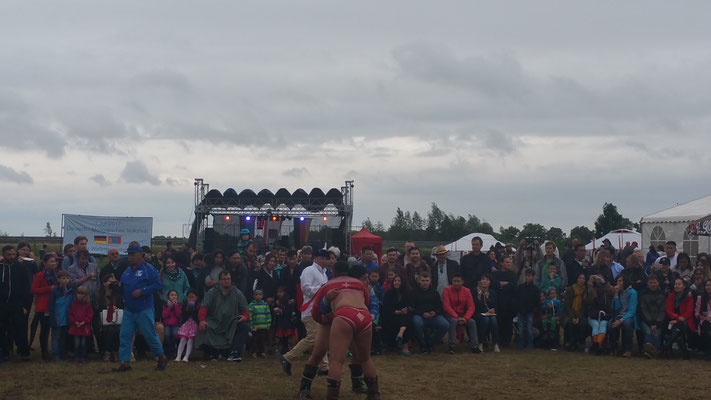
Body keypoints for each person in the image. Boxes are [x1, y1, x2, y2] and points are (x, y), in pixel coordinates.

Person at [307, 263, 381, 400]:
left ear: (333, 272)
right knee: (365, 358)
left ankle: (332, 396)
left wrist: (326, 303)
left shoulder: (328, 285)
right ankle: (374, 394)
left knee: (336, 360)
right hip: (364, 316)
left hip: (344, 315)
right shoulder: (361, 285)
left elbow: (317, 311)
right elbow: (368, 301)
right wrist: (371, 317)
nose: (367, 281)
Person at [114, 242, 167, 372]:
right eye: (129, 254)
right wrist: (116, 286)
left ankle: (161, 357)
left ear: (140, 254)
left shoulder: (148, 269)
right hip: (129, 309)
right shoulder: (127, 270)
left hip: (143, 309)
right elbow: (123, 285)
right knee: (125, 335)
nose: (130, 256)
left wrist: (142, 291)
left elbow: (157, 285)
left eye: (133, 254)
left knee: (150, 335)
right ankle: (125, 362)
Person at [280, 249, 331, 375]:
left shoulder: (324, 273)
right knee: (313, 338)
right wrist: (321, 289)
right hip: (310, 310)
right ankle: (288, 357)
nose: (325, 261)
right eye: (322, 258)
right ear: (315, 258)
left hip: (320, 310)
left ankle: (324, 366)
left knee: (321, 338)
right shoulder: (309, 270)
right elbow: (305, 288)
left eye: (326, 259)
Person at [196, 271, 250, 362]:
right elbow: (203, 307)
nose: (227, 281)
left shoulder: (237, 293)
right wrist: (201, 320)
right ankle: (212, 352)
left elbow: (245, 309)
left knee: (244, 327)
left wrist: (245, 317)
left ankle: (234, 352)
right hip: (214, 322)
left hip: (231, 323)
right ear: (219, 281)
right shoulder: (212, 292)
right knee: (205, 326)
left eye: (228, 279)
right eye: (224, 279)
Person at [0, 245, 32, 362]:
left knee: (20, 328)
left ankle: (24, 352)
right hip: (2, 304)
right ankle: (4, 352)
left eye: (13, 254)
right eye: (9, 254)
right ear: (3, 254)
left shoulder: (20, 267)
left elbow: (26, 285)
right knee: (2, 329)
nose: (11, 257)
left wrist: (24, 303)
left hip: (17, 304)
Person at [410, 272, 448, 354]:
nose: (425, 283)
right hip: (419, 316)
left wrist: (435, 312)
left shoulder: (435, 292)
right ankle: (422, 345)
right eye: (423, 281)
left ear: (430, 281)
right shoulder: (414, 292)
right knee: (416, 323)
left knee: (445, 324)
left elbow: (440, 307)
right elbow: (411, 308)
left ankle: (431, 343)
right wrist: (422, 313)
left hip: (433, 316)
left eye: (427, 280)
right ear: (419, 281)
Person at [442, 274, 480, 354]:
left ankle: (474, 345)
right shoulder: (446, 290)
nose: (456, 283)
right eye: (454, 281)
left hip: (463, 315)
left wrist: (465, 318)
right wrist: (456, 317)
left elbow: (471, 306)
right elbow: (446, 306)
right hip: (450, 315)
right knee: (453, 321)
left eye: (458, 281)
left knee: (472, 322)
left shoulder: (467, 291)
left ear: (462, 282)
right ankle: (451, 346)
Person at [30, 253, 58, 360]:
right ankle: (44, 351)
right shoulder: (39, 275)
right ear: (45, 263)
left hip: (53, 304)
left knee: (50, 328)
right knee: (44, 329)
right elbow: (33, 289)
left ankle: (50, 349)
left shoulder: (56, 273)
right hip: (43, 305)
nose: (53, 263)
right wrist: (48, 288)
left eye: (54, 261)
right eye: (51, 261)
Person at [664, 278, 694, 359]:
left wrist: (677, 320)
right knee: (678, 331)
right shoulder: (671, 295)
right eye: (675, 284)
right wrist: (677, 318)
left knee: (679, 325)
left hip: (685, 321)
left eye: (679, 284)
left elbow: (689, 312)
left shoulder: (689, 296)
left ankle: (668, 344)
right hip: (672, 319)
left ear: (684, 286)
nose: (676, 286)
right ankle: (685, 352)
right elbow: (668, 310)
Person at [638, 273, 666, 358]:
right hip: (646, 320)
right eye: (651, 282)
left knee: (657, 333)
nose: (653, 284)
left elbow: (662, 310)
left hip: (659, 321)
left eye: (654, 282)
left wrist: (657, 323)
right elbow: (643, 309)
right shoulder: (642, 294)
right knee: (648, 332)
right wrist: (650, 323)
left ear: (658, 283)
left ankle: (654, 351)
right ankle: (651, 351)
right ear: (647, 283)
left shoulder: (663, 294)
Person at [97, 272, 123, 362]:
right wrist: (106, 308)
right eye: (109, 281)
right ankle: (108, 351)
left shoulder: (118, 295)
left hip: (117, 319)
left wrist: (116, 308)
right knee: (109, 330)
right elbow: (96, 308)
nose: (112, 283)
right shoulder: (99, 295)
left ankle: (115, 351)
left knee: (117, 329)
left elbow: (122, 306)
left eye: (113, 281)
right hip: (103, 320)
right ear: (104, 283)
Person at [585, 273, 613, 355]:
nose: (598, 280)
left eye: (600, 279)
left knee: (603, 325)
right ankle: (596, 344)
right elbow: (587, 300)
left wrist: (603, 282)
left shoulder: (607, 292)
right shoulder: (591, 289)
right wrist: (590, 286)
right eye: (596, 279)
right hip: (593, 315)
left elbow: (611, 291)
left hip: (605, 315)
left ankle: (598, 344)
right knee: (596, 325)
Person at [609, 275, 637, 357]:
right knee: (610, 324)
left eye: (620, 281)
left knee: (627, 324)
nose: (618, 283)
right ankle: (614, 348)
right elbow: (615, 308)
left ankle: (628, 349)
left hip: (629, 316)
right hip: (619, 315)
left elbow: (632, 311)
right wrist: (616, 295)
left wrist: (620, 321)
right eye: (617, 281)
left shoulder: (632, 292)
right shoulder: (618, 292)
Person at [67, 285, 93, 364]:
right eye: (78, 293)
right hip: (76, 327)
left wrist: (84, 321)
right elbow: (70, 314)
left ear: (85, 295)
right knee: (76, 343)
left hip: (84, 327)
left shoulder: (88, 304)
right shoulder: (73, 303)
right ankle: (76, 357)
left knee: (83, 343)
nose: (80, 295)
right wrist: (74, 322)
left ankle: (83, 357)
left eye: (82, 294)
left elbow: (90, 314)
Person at [474, 274, 499, 352]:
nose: (484, 281)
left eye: (487, 280)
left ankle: (495, 343)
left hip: (490, 314)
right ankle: (481, 342)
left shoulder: (492, 293)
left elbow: (496, 305)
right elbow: (476, 306)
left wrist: (494, 309)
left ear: (490, 282)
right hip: (478, 314)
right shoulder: (475, 292)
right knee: (485, 320)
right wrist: (479, 295)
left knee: (493, 319)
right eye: (483, 279)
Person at [562, 273, 588, 351]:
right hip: (569, 314)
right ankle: (569, 342)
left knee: (582, 323)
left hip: (581, 314)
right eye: (580, 278)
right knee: (569, 323)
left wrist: (578, 317)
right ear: (576, 279)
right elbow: (567, 306)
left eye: (583, 278)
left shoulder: (586, 291)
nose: (582, 280)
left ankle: (581, 342)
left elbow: (585, 307)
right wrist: (573, 317)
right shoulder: (569, 290)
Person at [515, 269, 540, 350]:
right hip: (520, 311)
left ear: (533, 277)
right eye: (526, 276)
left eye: (529, 276)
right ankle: (520, 344)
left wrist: (533, 308)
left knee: (529, 328)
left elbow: (537, 301)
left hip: (529, 311)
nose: (527, 277)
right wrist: (518, 308)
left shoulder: (535, 289)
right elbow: (517, 298)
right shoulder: (520, 287)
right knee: (520, 328)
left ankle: (529, 344)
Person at [175, 289, 199, 362]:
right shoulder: (184, 306)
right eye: (189, 297)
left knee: (190, 340)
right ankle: (178, 356)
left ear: (196, 297)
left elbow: (196, 317)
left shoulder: (198, 306)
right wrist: (187, 309)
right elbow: (183, 316)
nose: (191, 299)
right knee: (183, 339)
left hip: (194, 325)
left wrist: (193, 309)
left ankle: (186, 356)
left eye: (192, 297)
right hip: (186, 325)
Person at [248, 288, 272, 357]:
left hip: (263, 326)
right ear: (253, 296)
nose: (258, 296)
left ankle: (262, 351)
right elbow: (250, 316)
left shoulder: (265, 305)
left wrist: (268, 324)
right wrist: (251, 325)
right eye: (256, 294)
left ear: (262, 295)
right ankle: (254, 352)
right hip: (255, 327)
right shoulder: (251, 305)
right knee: (254, 339)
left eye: (260, 294)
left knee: (262, 340)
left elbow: (268, 315)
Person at [274, 286, 297, 355]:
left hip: (288, 322)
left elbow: (290, 312)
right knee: (280, 338)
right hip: (280, 323)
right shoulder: (277, 302)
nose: (279, 294)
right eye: (278, 292)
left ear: (285, 293)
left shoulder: (289, 301)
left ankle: (291, 351)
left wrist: (282, 311)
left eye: (280, 292)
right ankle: (280, 350)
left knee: (289, 337)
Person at [161, 289, 182, 359]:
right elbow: (164, 315)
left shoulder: (179, 305)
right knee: (167, 335)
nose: (174, 297)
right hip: (167, 324)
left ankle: (173, 350)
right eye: (172, 295)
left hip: (175, 324)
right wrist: (169, 308)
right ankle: (168, 351)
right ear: (168, 297)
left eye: (175, 295)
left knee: (175, 335)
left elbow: (178, 314)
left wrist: (175, 306)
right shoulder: (165, 305)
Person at [695, 279, 711, 360]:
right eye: (707, 285)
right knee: (708, 330)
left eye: (710, 285)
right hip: (704, 320)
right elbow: (697, 313)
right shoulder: (700, 298)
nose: (708, 287)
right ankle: (708, 352)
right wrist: (701, 316)